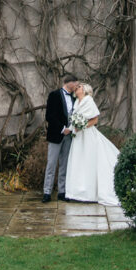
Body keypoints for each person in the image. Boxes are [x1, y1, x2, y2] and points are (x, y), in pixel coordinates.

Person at [64, 83, 121, 206]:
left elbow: (95, 120)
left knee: (88, 161)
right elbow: (75, 119)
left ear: (84, 90)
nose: (77, 88)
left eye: (79, 87)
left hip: (88, 135)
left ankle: (90, 193)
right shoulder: (76, 103)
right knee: (78, 162)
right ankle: (78, 192)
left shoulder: (88, 101)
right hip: (78, 136)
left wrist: (82, 126)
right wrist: (72, 128)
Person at [43, 73, 79, 203]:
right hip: (56, 135)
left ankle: (62, 192)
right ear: (69, 82)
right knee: (51, 164)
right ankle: (47, 192)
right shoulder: (54, 95)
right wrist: (62, 129)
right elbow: (49, 116)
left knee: (65, 164)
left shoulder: (75, 98)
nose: (77, 86)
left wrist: (73, 128)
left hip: (69, 136)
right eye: (76, 83)